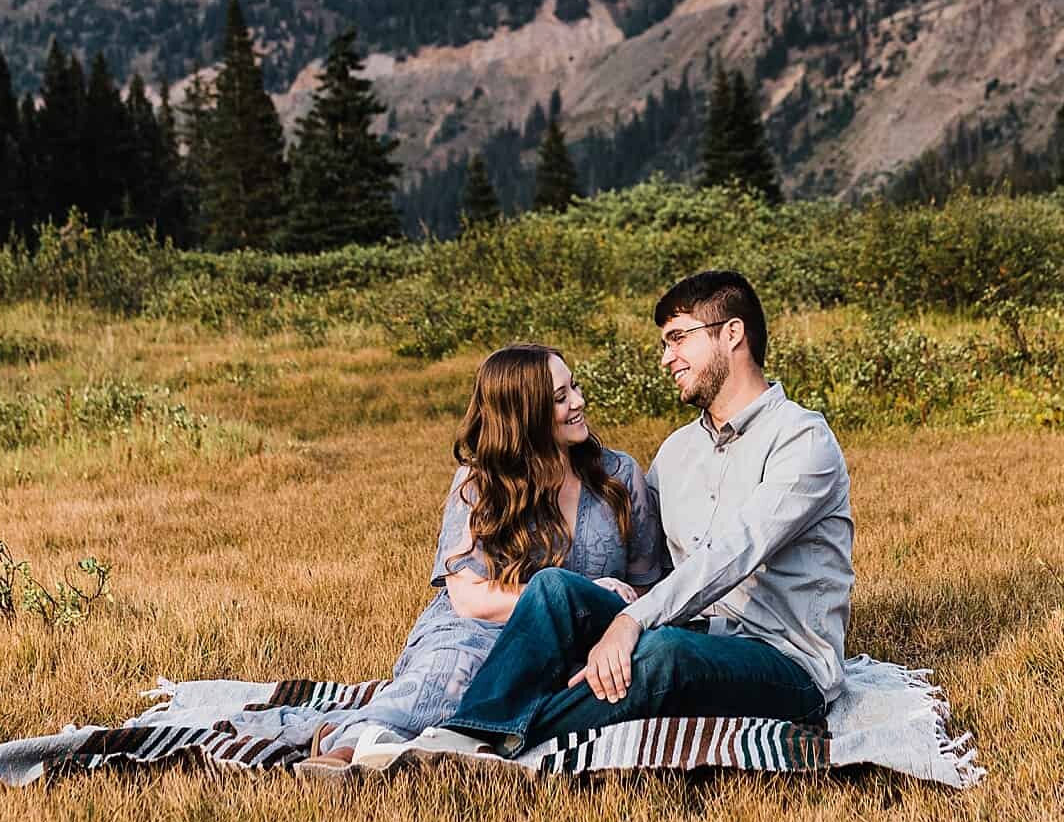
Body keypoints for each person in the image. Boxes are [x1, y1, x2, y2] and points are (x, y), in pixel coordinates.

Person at [427, 269, 851, 759]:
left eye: (678, 339)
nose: (666, 357)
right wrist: (605, 605)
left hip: (782, 663)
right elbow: (652, 565)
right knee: (553, 588)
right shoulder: (676, 453)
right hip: (687, 630)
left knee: (658, 653)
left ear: (731, 334)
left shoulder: (803, 440)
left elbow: (733, 554)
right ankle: (472, 728)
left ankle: (487, 742)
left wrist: (631, 622)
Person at [303, 343, 664, 770]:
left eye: (575, 387)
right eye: (559, 398)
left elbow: (647, 582)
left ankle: (445, 742)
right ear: (522, 414)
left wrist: (612, 609)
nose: (579, 403)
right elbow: (471, 598)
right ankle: (353, 744)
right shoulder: (478, 484)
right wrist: (564, 597)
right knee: (455, 670)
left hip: (594, 635)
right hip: (482, 626)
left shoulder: (619, 476)